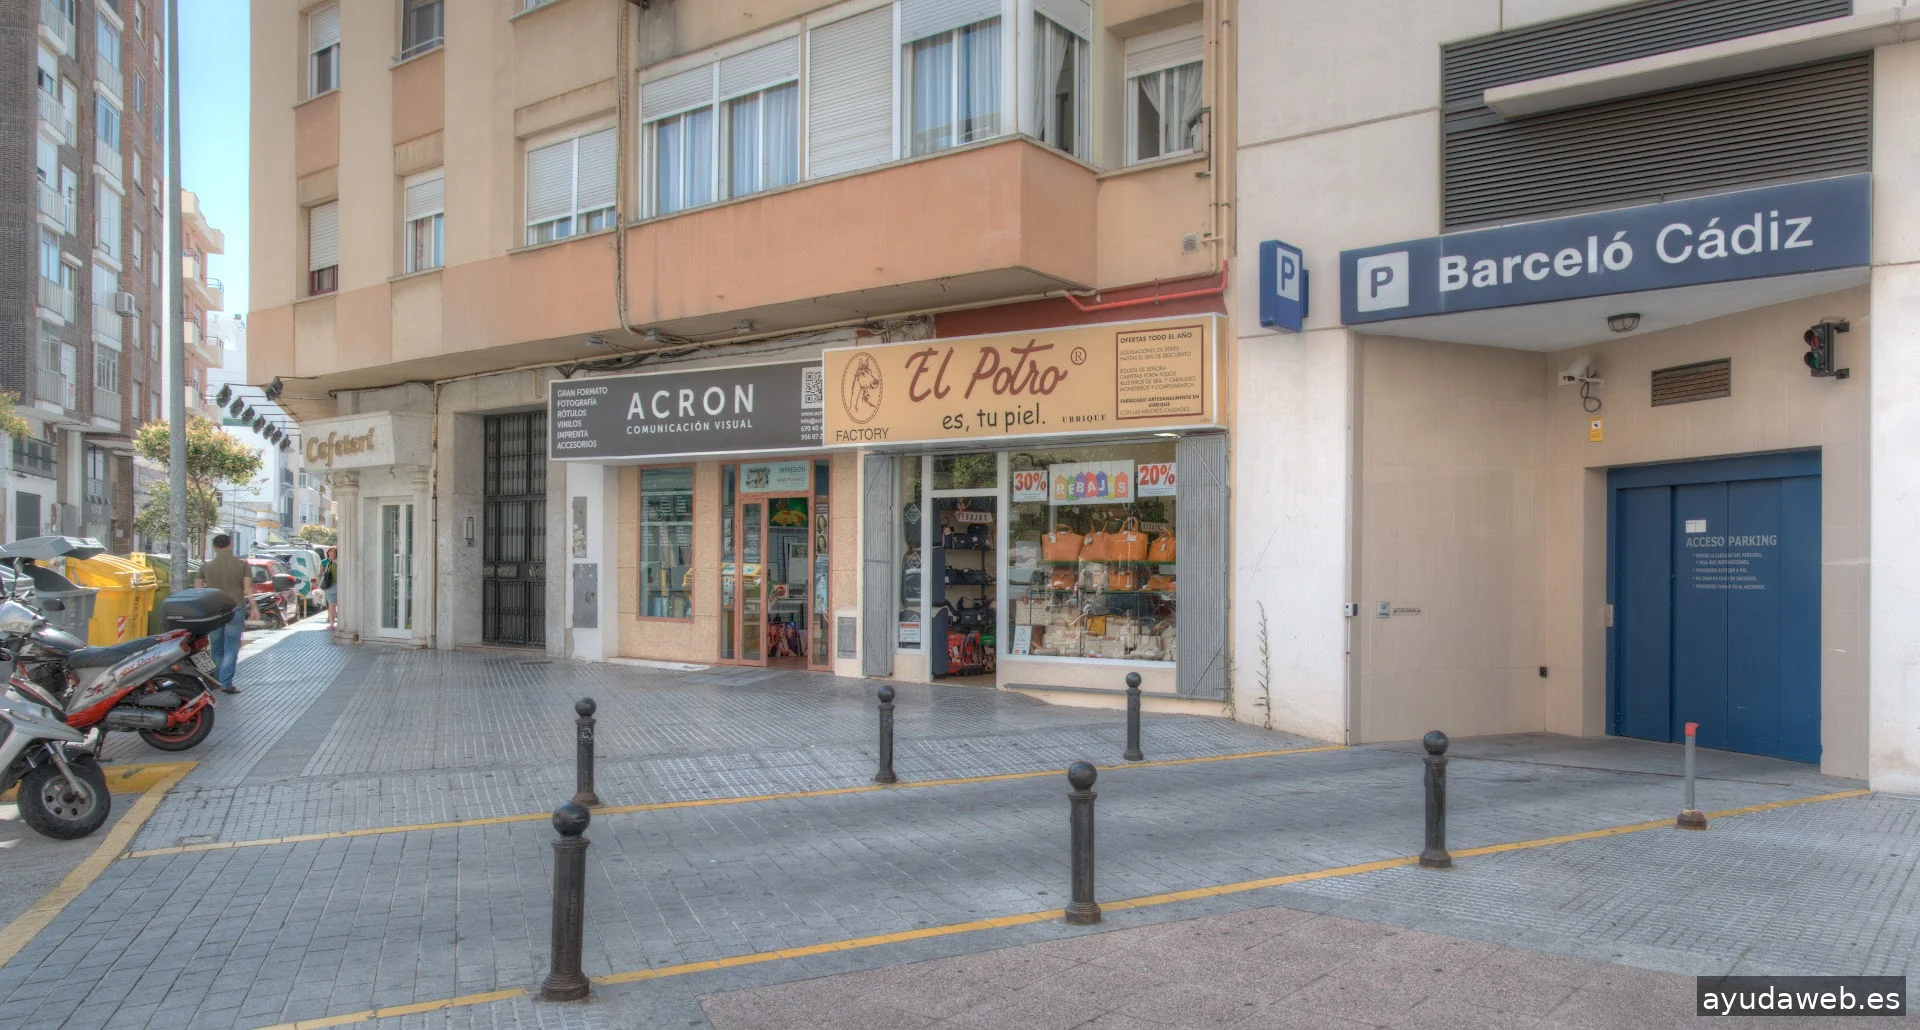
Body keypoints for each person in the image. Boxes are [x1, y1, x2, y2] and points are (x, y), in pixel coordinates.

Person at [196, 533, 249, 695]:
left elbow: (198, 589)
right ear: (230, 544)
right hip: (235, 608)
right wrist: (253, 606)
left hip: (214, 610)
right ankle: (226, 683)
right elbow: (248, 587)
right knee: (232, 647)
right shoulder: (242, 564)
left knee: (216, 646)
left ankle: (216, 681)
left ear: (214, 547)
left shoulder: (206, 566)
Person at [320, 547, 337, 630]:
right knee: (331, 605)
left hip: (340, 586)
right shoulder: (326, 562)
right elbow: (321, 574)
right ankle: (332, 623)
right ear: (328, 553)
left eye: (334, 552)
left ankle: (337, 623)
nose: (332, 553)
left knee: (339, 605)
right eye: (331, 551)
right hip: (330, 586)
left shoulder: (338, 561)